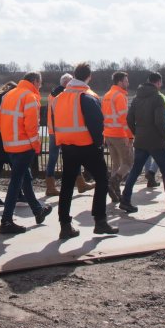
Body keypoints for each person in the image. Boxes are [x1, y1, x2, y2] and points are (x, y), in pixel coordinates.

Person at [53, 62, 118, 239]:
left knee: (67, 185)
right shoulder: (87, 96)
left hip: (67, 146)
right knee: (102, 180)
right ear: (89, 76)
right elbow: (97, 125)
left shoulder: (60, 97)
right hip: (87, 146)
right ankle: (100, 221)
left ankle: (65, 225)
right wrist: (99, 143)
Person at [120, 72, 165, 213]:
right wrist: (164, 135)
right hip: (156, 141)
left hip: (141, 140)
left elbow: (128, 119)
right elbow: (159, 121)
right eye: (160, 83)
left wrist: (136, 132)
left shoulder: (136, 98)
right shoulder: (157, 98)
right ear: (157, 83)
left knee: (135, 171)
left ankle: (125, 199)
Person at [0, 72, 52, 234]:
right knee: (16, 182)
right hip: (24, 146)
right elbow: (32, 127)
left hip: (10, 145)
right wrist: (36, 146)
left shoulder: (8, 95)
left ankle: (37, 210)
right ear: (35, 81)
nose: (40, 86)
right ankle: (6, 220)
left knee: (24, 178)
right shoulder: (29, 97)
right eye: (40, 83)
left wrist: (9, 138)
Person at [101, 71, 134, 204]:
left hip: (108, 134)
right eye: (126, 81)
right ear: (120, 82)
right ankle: (113, 182)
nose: (128, 83)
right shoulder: (119, 96)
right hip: (119, 134)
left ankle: (115, 192)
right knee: (128, 163)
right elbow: (124, 119)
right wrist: (130, 136)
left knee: (117, 164)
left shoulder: (107, 95)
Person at [43, 73, 73, 197]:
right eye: (71, 82)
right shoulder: (64, 95)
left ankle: (50, 186)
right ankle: (79, 182)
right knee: (72, 156)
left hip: (53, 130)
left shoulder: (52, 94)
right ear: (66, 83)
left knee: (53, 158)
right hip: (62, 130)